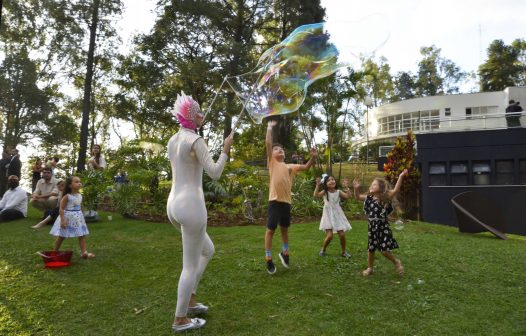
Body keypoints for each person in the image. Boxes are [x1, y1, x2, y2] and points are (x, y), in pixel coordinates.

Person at [167, 92, 233, 333]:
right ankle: (180, 318)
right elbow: (215, 172)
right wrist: (226, 149)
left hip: (173, 204)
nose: (202, 115)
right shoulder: (195, 140)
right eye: (199, 112)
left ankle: (191, 299)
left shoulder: (174, 140)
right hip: (191, 205)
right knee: (190, 265)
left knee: (208, 250)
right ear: (190, 116)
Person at [264, 119, 317, 275]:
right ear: (272, 154)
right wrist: (269, 128)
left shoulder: (290, 167)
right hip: (274, 201)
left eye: (281, 149)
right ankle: (268, 258)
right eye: (277, 149)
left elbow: (306, 167)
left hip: (286, 202)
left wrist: (313, 158)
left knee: (285, 229)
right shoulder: (272, 163)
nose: (279, 150)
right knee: (271, 230)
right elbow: (268, 144)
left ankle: (284, 252)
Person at [353, 169, 408, 277]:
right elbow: (358, 197)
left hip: (382, 227)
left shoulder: (386, 197)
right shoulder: (369, 197)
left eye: (374, 185)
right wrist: (356, 189)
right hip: (372, 227)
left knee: (384, 250)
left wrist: (401, 176)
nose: (372, 186)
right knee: (371, 249)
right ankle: (370, 268)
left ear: (381, 188)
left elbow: (396, 190)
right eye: (371, 184)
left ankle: (396, 262)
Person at [49, 176, 95, 259]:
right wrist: (62, 220)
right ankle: (54, 253)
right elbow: (61, 208)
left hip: (78, 218)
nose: (79, 183)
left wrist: (82, 216)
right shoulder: (67, 196)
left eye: (79, 181)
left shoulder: (80, 195)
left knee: (82, 235)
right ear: (70, 185)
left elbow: (80, 206)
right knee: (61, 236)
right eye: (76, 182)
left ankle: (84, 252)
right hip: (68, 218)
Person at [313, 174, 353, 257]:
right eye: (329, 180)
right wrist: (317, 185)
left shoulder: (338, 192)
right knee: (330, 236)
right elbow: (316, 195)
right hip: (328, 215)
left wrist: (346, 188)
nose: (331, 181)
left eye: (333, 179)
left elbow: (348, 196)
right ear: (325, 184)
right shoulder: (325, 192)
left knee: (342, 235)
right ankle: (323, 249)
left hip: (338, 214)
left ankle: (343, 252)